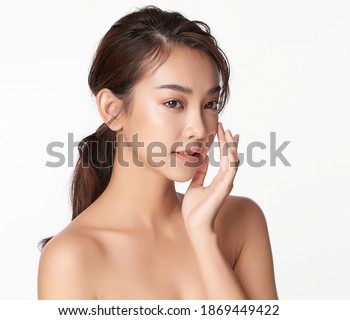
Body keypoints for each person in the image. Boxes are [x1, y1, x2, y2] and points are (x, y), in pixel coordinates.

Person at [37, 5, 278, 300]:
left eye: (210, 104)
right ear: (113, 110)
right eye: (174, 103)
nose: (199, 129)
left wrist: (204, 238)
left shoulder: (241, 220)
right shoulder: (71, 259)